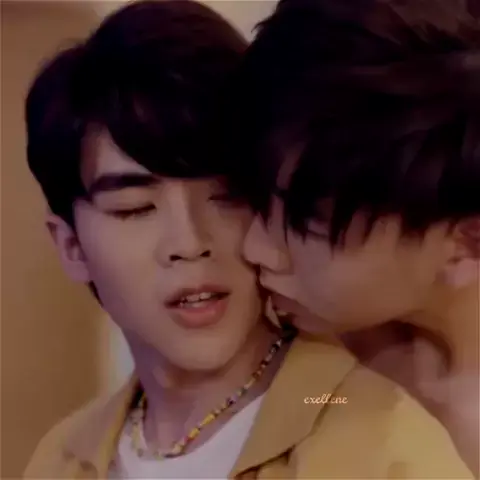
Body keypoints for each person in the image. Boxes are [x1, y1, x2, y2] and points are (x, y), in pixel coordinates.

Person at [24, 1, 473, 479]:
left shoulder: (370, 423)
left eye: (228, 196)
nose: (189, 243)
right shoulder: (60, 456)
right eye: (134, 208)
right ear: (71, 247)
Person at [221, 0, 479, 475]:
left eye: (305, 224)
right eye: (258, 196)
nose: (254, 246)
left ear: (466, 243)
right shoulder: (322, 344)